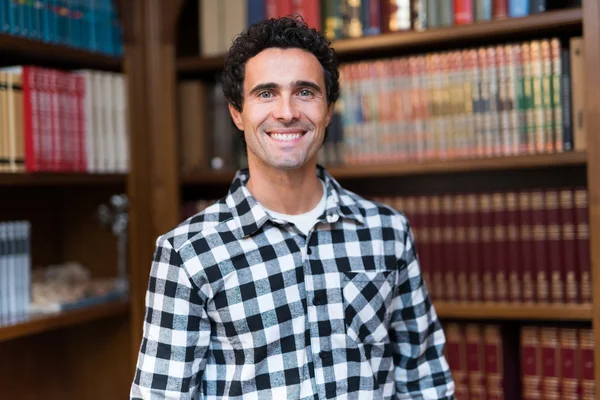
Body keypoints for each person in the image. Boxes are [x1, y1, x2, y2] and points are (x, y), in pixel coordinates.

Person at [130, 16, 454, 400]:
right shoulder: (187, 253)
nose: (286, 112)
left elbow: (425, 380)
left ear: (328, 109)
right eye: (266, 93)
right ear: (237, 113)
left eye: (305, 92)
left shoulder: (387, 231)